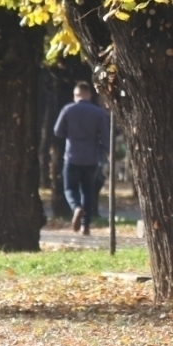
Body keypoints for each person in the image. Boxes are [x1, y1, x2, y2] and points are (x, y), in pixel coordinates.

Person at [54, 81, 111, 236]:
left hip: (72, 156)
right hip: (91, 158)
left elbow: (57, 131)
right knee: (87, 191)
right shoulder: (98, 113)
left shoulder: (68, 109)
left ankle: (76, 207)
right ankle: (86, 226)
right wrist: (108, 152)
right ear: (89, 95)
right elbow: (105, 136)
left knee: (70, 188)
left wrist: (69, 134)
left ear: (76, 95)